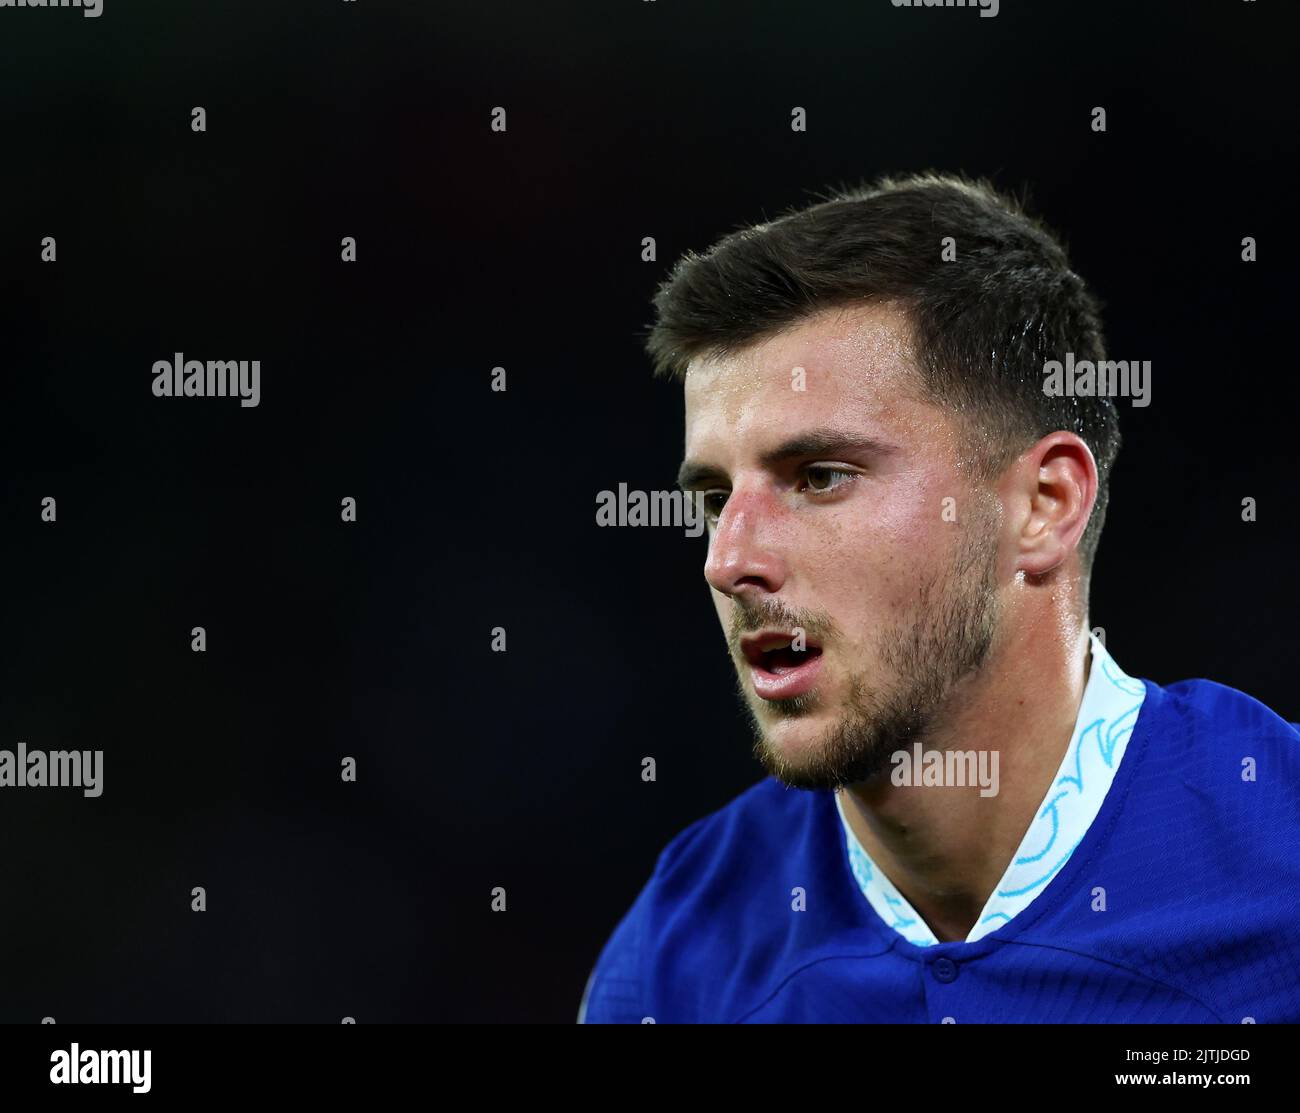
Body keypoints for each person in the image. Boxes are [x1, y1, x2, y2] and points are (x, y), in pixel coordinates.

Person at [579, 173, 1300, 1023]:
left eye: (820, 477)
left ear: (1043, 507)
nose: (728, 559)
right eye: (712, 498)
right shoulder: (678, 951)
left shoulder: (1278, 863)